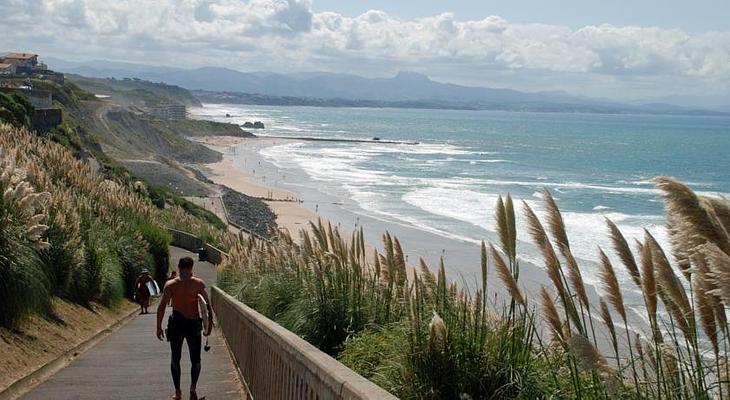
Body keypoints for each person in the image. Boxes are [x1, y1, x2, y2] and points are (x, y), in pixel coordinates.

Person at [156, 257, 212, 400]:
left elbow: (162, 307)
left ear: (179, 267)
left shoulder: (171, 285)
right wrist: (208, 326)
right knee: (196, 360)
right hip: (193, 324)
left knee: (175, 358)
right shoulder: (198, 284)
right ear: (191, 267)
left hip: (177, 324)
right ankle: (192, 389)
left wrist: (158, 326)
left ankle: (178, 392)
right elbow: (207, 307)